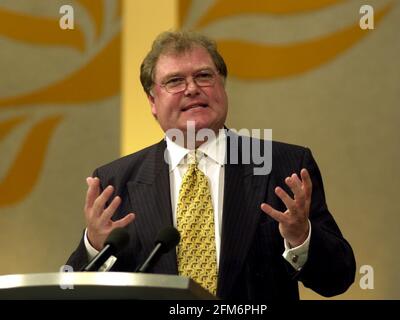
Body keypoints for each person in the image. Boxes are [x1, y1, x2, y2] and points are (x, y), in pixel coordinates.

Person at [66, 30, 355, 299]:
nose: (192, 89)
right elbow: (72, 291)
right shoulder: (115, 182)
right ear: (152, 101)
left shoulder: (284, 167)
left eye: (204, 76)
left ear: (222, 87)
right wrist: (94, 245)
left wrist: (301, 237)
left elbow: (338, 278)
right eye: (175, 81)